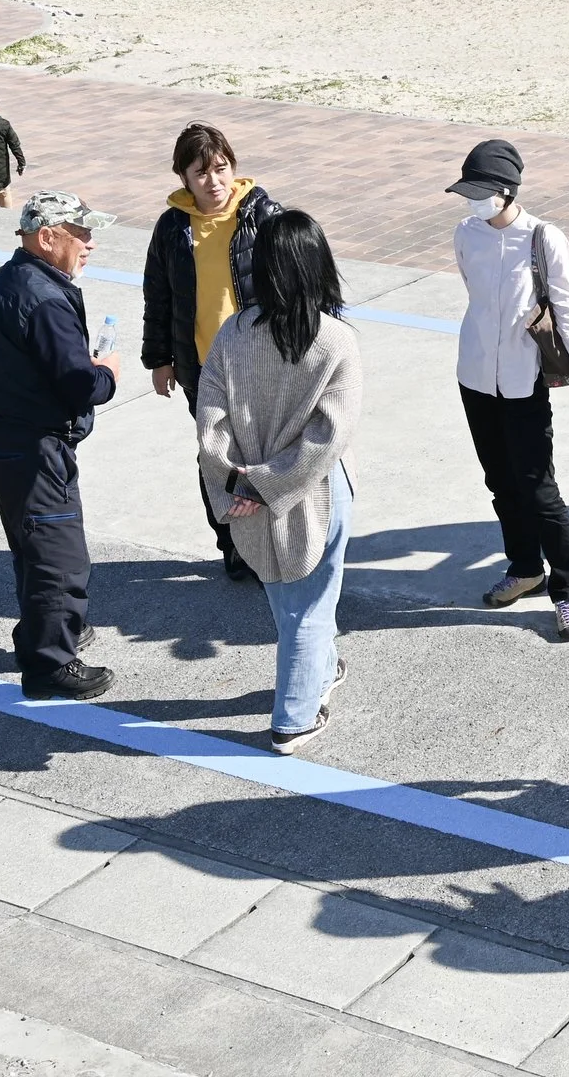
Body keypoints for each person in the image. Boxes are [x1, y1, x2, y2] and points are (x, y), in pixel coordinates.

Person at [197, 210, 362, 752]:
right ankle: (294, 717)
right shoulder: (335, 340)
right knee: (309, 604)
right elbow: (329, 436)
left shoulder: (233, 334)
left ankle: (319, 668)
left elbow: (211, 422)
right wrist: (268, 484)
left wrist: (235, 485)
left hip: (246, 493)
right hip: (313, 490)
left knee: (291, 597)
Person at [450, 139, 569, 642]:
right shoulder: (465, 234)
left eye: (480, 193)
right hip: (475, 376)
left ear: (505, 191)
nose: (472, 202)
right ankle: (525, 567)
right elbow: (475, 298)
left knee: (538, 489)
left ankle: (568, 592)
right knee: (499, 481)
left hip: (524, 382)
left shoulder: (544, 238)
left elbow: (567, 312)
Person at [0, 192, 122, 700]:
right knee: (58, 554)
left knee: (31, 543)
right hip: (30, 447)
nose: (90, 244)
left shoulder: (4, 281)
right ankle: (49, 664)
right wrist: (106, 373)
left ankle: (50, 631)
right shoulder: (47, 298)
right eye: (81, 234)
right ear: (47, 236)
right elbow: (80, 386)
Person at [142, 123, 283, 582]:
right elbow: (157, 296)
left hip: (260, 363)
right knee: (217, 455)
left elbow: (294, 284)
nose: (214, 181)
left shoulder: (262, 214)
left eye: (221, 168)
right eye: (201, 172)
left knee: (264, 453)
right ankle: (233, 543)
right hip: (202, 367)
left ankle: (272, 540)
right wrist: (159, 358)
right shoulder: (171, 227)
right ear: (183, 176)